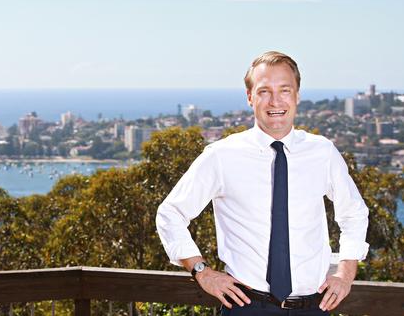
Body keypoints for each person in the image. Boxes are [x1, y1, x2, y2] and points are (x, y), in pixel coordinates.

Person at [156, 51, 369, 315]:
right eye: (264, 91)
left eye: (285, 90)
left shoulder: (322, 152)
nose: (275, 101)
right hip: (247, 307)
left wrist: (346, 273)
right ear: (250, 97)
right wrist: (202, 271)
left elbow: (354, 213)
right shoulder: (221, 156)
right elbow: (170, 214)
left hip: (314, 306)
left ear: (297, 96)